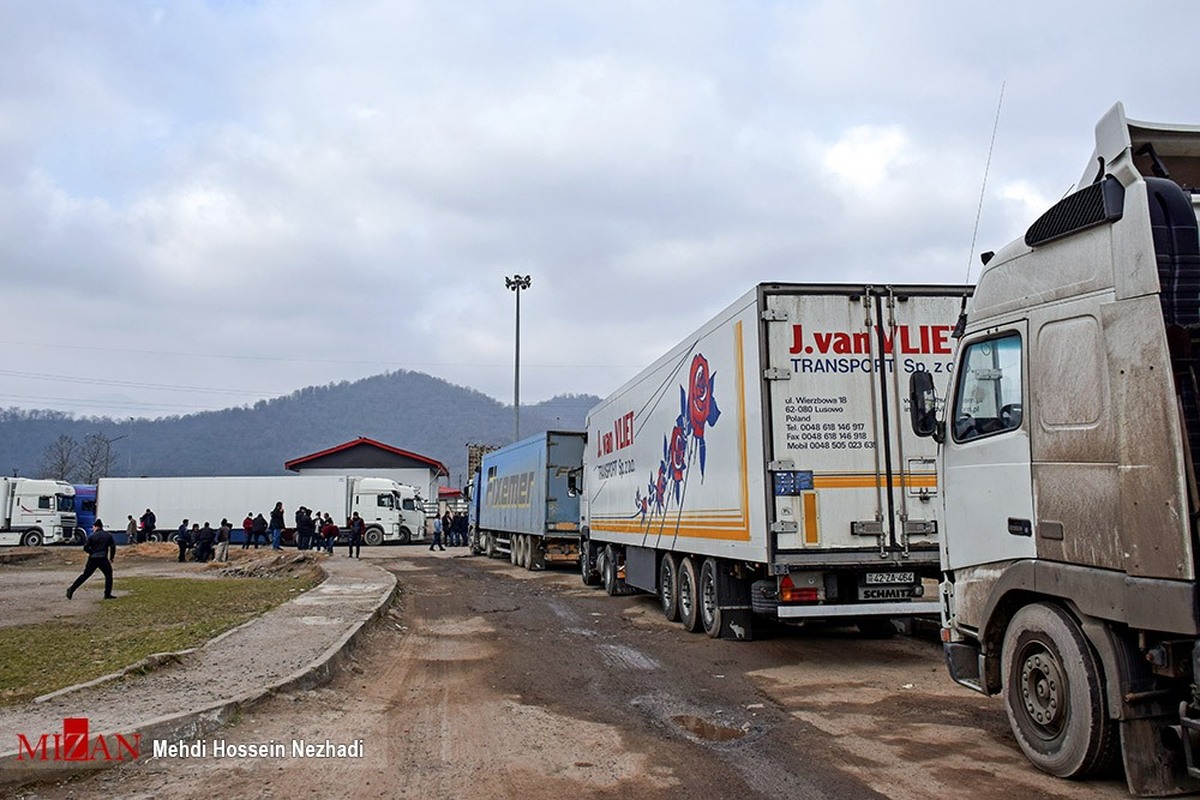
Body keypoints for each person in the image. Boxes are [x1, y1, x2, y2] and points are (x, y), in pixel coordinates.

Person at [67, 519, 116, 600]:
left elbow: (85, 547)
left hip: (93, 558)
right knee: (108, 575)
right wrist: (111, 557)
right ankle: (107, 594)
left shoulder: (92, 536)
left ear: (96, 527)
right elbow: (113, 547)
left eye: (93, 527)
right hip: (103, 558)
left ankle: (71, 589)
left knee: (85, 575)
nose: (92, 529)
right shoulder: (108, 535)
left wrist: (91, 552)